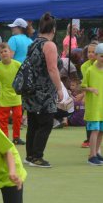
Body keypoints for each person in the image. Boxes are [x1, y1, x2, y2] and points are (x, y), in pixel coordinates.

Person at [22, 12, 64, 168]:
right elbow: (52, 69)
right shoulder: (49, 45)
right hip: (44, 91)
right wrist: (60, 89)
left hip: (31, 89)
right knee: (45, 123)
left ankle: (30, 155)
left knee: (33, 122)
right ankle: (37, 157)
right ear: (53, 29)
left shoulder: (33, 43)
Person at [81, 43, 103, 166]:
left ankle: (97, 153)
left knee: (101, 130)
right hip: (94, 106)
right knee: (94, 130)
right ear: (96, 56)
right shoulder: (90, 70)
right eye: (102, 56)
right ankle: (92, 155)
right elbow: (83, 86)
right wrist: (91, 89)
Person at [0, 42, 25, 145]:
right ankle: (5, 139)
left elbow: (25, 75)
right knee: (2, 120)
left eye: (5, 51)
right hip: (3, 99)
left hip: (16, 98)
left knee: (17, 119)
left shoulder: (18, 64)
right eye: (1, 52)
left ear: (10, 52)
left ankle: (16, 138)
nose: (4, 53)